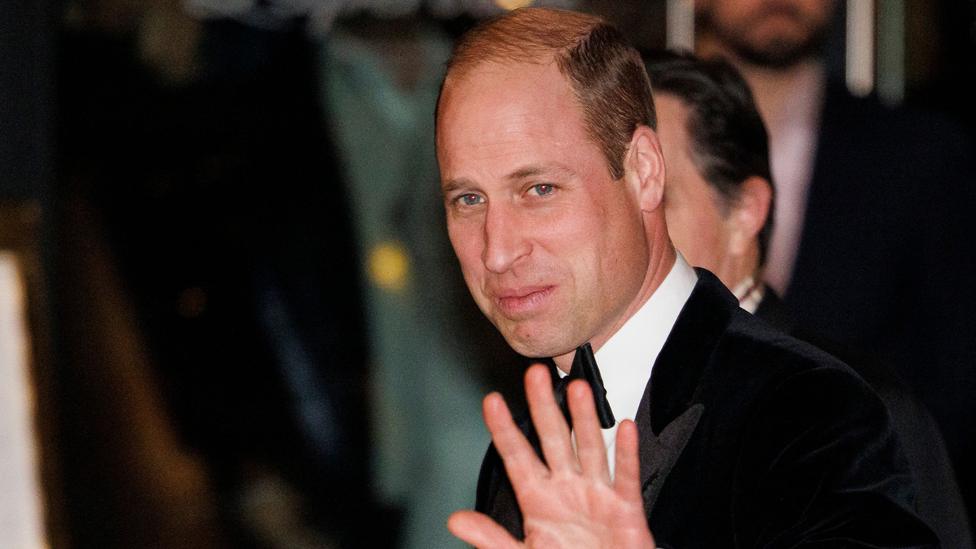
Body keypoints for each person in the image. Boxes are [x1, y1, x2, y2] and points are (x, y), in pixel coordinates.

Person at [436, 7, 935, 547]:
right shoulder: (523, 450)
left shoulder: (809, 412)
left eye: (539, 190)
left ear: (645, 172)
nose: (498, 250)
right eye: (468, 199)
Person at [645, 50, 973, 549]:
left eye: (655, 197)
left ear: (744, 214)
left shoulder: (858, 409)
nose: (619, 230)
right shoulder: (569, 398)